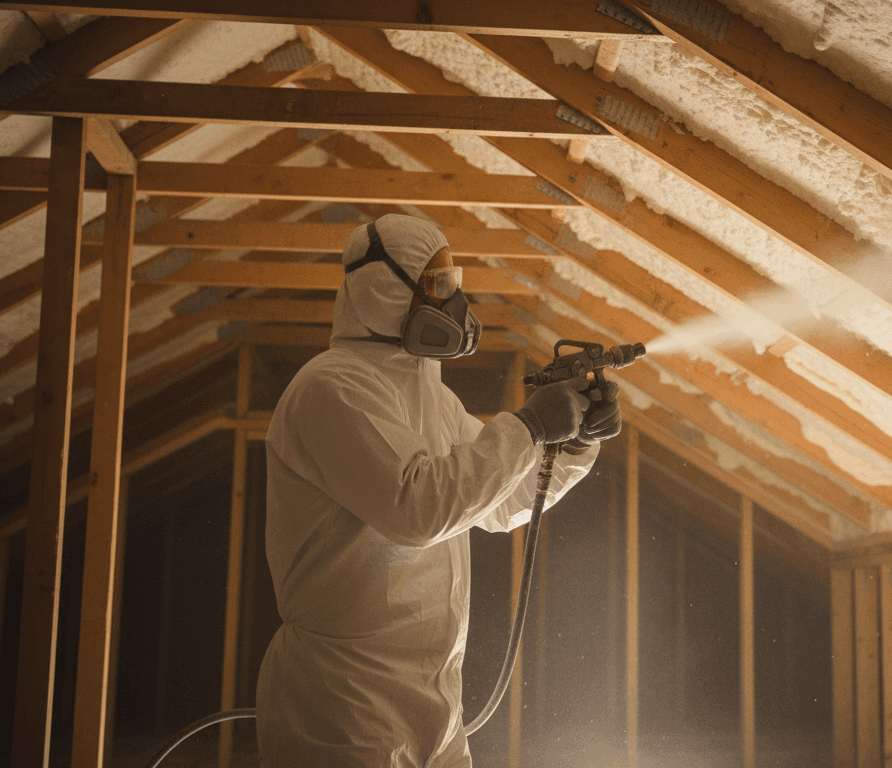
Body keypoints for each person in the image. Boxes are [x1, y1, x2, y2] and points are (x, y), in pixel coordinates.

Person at [255, 214, 620, 767]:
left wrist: (568, 445)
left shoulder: (434, 398)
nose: (454, 301)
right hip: (346, 703)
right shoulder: (331, 387)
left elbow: (503, 503)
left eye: (452, 283)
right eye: (437, 286)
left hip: (435, 700)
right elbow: (420, 509)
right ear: (382, 290)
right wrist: (530, 427)